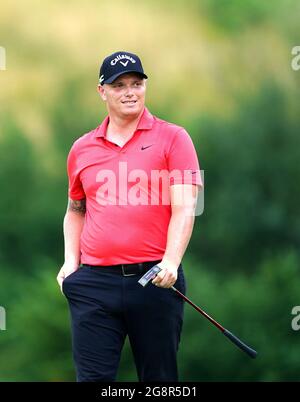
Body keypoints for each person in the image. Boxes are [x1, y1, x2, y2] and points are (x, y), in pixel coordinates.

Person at [57, 51, 202, 382]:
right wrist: (70, 263)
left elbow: (185, 207)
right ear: (102, 91)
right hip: (93, 283)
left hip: (154, 278)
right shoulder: (82, 148)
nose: (130, 92)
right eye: (119, 85)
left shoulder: (174, 138)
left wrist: (170, 261)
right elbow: (75, 210)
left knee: (159, 382)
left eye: (136, 84)